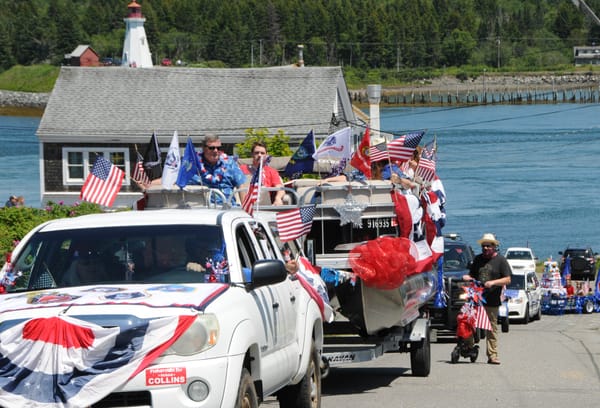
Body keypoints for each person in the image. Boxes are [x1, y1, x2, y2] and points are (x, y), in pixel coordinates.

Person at [462, 233, 511, 365]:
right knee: (469, 322)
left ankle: (492, 355)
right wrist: (468, 278)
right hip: (476, 298)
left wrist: (493, 282)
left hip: (492, 300)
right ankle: (469, 347)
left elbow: (508, 279)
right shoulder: (478, 259)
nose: (485, 248)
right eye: (483, 246)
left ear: (494, 246)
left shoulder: (501, 261)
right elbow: (472, 275)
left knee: (491, 328)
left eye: (488, 246)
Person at [189, 134, 246, 204]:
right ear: (204, 148)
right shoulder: (194, 165)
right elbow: (181, 182)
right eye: (212, 148)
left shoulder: (230, 163)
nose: (216, 151)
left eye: (218, 148)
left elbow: (241, 186)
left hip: (228, 208)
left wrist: (245, 208)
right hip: (203, 209)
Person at [239, 141, 285, 205]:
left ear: (266, 155)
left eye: (262, 153)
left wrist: (278, 198)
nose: (259, 155)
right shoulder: (241, 169)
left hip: (264, 205)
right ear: (252, 154)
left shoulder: (271, 171)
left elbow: (280, 188)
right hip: (244, 203)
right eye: (256, 153)